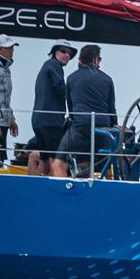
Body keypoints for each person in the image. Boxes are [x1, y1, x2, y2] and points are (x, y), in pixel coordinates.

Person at [51, 45, 117, 177]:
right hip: (103, 128)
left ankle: (65, 196)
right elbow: (112, 110)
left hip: (81, 126)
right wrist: (114, 129)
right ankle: (111, 191)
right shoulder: (107, 79)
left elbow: (71, 110)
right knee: (107, 165)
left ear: (80, 60)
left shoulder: (71, 78)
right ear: (96, 60)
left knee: (58, 164)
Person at [31, 39, 75, 175]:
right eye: (63, 51)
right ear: (54, 53)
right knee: (57, 160)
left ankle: (34, 188)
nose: (67, 55)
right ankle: (56, 194)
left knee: (44, 160)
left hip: (38, 120)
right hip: (51, 121)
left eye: (69, 53)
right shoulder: (54, 66)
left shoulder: (46, 66)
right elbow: (61, 88)